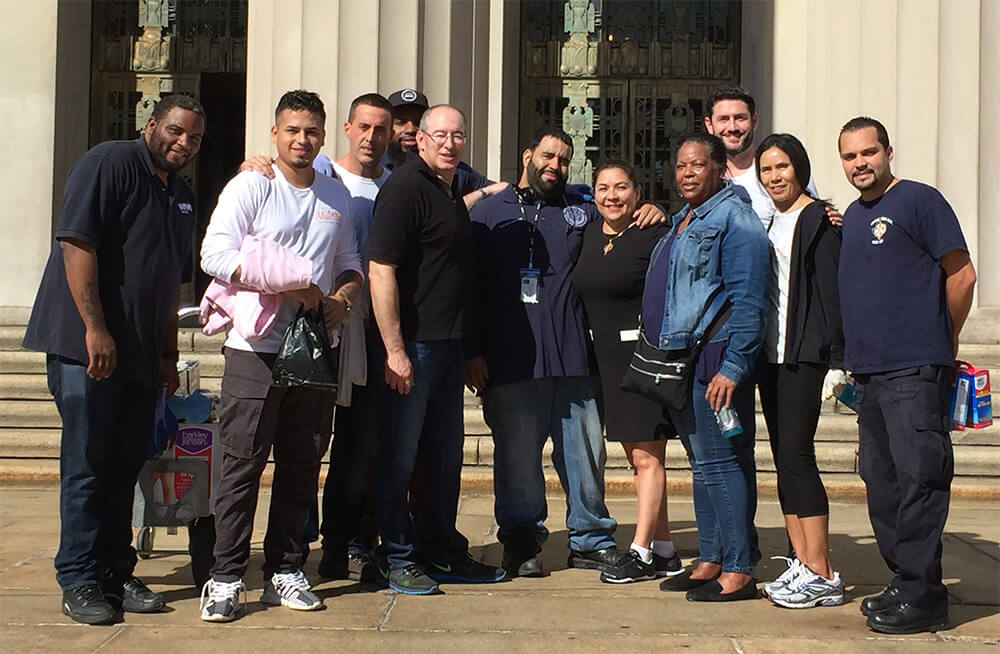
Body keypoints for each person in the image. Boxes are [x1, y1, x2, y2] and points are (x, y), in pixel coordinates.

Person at [22, 94, 206, 625]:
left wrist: (169, 354)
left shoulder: (184, 195)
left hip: (143, 356)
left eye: (194, 138)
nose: (183, 143)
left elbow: (172, 280)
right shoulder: (108, 162)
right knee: (87, 465)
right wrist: (95, 329)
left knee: (125, 465)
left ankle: (114, 569)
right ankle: (78, 576)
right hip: (87, 349)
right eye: (175, 131)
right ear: (151, 124)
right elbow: (76, 244)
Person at [466, 131, 666, 578]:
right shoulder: (488, 213)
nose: (554, 164)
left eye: (563, 159)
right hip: (511, 361)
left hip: (576, 360)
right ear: (527, 155)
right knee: (517, 461)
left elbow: (620, 209)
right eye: (547, 155)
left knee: (586, 458)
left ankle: (591, 540)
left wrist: (653, 209)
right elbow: (470, 286)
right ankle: (520, 541)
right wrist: (472, 351)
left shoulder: (580, 208)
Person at [198, 90, 363, 622]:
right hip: (255, 349)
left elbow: (350, 263)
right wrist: (289, 284)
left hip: (314, 348)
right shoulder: (253, 184)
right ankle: (225, 577)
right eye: (292, 130)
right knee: (241, 464)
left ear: (322, 137)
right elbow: (214, 255)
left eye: (311, 132)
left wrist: (341, 298)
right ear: (275, 133)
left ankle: (286, 570)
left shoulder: (336, 198)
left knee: (301, 462)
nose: (302, 140)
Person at [837, 117, 976, 634]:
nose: (860, 164)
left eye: (868, 153)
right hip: (868, 375)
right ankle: (907, 580)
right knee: (881, 480)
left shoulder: (920, 200)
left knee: (920, 478)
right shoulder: (852, 216)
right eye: (850, 157)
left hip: (915, 368)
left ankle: (923, 596)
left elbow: (961, 275)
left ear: (888, 151)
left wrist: (946, 337)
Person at [368, 104, 507, 595]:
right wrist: (395, 350)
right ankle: (396, 556)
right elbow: (380, 269)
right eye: (441, 135)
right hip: (415, 350)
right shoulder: (405, 188)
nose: (450, 143)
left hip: (449, 349)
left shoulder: (446, 191)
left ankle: (442, 550)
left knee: (444, 459)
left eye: (459, 135)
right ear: (420, 140)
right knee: (400, 458)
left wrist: (468, 348)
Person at [653, 134, 769, 602]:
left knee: (722, 463)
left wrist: (735, 366)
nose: (686, 173)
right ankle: (710, 558)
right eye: (680, 165)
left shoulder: (735, 220)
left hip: (718, 361)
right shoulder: (685, 218)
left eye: (697, 165)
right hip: (686, 358)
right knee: (703, 466)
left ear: (719, 168)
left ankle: (739, 569)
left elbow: (749, 302)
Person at [571, 160, 683, 583]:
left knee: (647, 456)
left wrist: (665, 213)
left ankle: (640, 553)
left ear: (638, 192)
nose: (612, 196)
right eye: (603, 188)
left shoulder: (654, 234)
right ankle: (665, 548)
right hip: (605, 363)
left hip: (642, 358)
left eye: (621, 188)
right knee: (639, 459)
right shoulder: (586, 234)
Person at [752, 133, 846, 608]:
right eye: (767, 170)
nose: (775, 177)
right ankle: (801, 562)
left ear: (800, 168)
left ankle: (822, 571)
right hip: (772, 357)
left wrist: (837, 360)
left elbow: (832, 294)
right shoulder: (774, 219)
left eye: (782, 167)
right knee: (784, 460)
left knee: (798, 456)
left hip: (804, 355)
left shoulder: (819, 221)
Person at [314, 93, 393, 583]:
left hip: (372, 331)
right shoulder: (322, 177)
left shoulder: (397, 184)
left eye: (380, 129)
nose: (371, 137)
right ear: (347, 128)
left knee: (360, 447)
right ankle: (303, 542)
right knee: (307, 442)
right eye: (364, 127)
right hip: (318, 328)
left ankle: (351, 543)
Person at [703, 87, 821, 229]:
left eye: (740, 118)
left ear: (754, 121)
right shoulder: (703, 178)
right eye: (723, 119)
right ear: (709, 125)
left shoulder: (784, 172)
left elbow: (814, 218)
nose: (732, 127)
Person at [384, 88, 506, 208]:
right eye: (400, 122)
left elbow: (500, 191)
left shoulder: (456, 171)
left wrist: (476, 196)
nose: (410, 129)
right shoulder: (376, 168)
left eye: (417, 122)